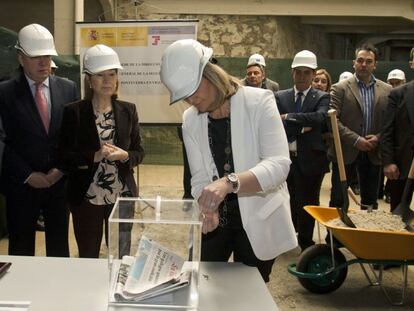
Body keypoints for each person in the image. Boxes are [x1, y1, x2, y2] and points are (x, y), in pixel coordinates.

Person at [160, 39, 297, 282]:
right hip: (217, 220)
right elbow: (200, 176)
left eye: (192, 91)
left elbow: (278, 165)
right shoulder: (191, 120)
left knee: (250, 290)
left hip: (258, 217)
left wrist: (229, 183)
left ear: (210, 74)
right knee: (204, 282)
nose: (190, 101)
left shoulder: (260, 102)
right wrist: (206, 207)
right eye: (183, 96)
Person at [57, 44, 144, 258]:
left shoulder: (128, 110)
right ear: (89, 80)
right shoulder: (74, 112)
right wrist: (93, 156)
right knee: (88, 253)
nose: (107, 81)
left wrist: (125, 156)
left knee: (121, 253)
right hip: (88, 195)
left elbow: (139, 152)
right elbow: (62, 156)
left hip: (121, 193)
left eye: (112, 74)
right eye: (100, 75)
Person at [0, 23, 79, 256]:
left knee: (58, 249)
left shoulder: (68, 89)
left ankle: (59, 292)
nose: (44, 62)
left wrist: (60, 170)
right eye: (36, 57)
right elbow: (2, 140)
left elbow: (73, 137)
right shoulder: (4, 93)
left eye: (47, 55)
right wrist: (27, 175)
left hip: (58, 186)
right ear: (20, 57)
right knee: (21, 249)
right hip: (21, 186)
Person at [275, 50, 329, 251]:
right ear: (292, 73)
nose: (302, 76)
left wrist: (288, 117)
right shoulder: (280, 97)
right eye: (298, 72)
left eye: (307, 72)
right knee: (284, 201)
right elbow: (274, 123)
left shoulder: (322, 97)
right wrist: (304, 126)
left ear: (313, 74)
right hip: (284, 159)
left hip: (311, 160)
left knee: (308, 203)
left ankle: (306, 242)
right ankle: (286, 240)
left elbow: (320, 118)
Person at [329, 43, 392, 211]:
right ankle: (335, 237)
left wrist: (378, 137)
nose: (364, 64)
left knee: (370, 201)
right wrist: (356, 140)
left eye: (369, 61)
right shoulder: (339, 88)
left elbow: (390, 122)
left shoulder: (387, 90)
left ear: (375, 64)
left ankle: (367, 236)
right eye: (360, 60)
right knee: (338, 198)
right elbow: (332, 121)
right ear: (354, 63)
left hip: (373, 151)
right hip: (346, 151)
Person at [381, 54, 413, 211]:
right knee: (398, 212)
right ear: (412, 63)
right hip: (402, 165)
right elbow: (387, 130)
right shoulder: (398, 94)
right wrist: (388, 162)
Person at [378, 68, 407, 203]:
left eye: (398, 82)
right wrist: (388, 161)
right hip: (401, 162)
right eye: (392, 83)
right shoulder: (394, 97)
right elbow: (388, 129)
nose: (394, 86)